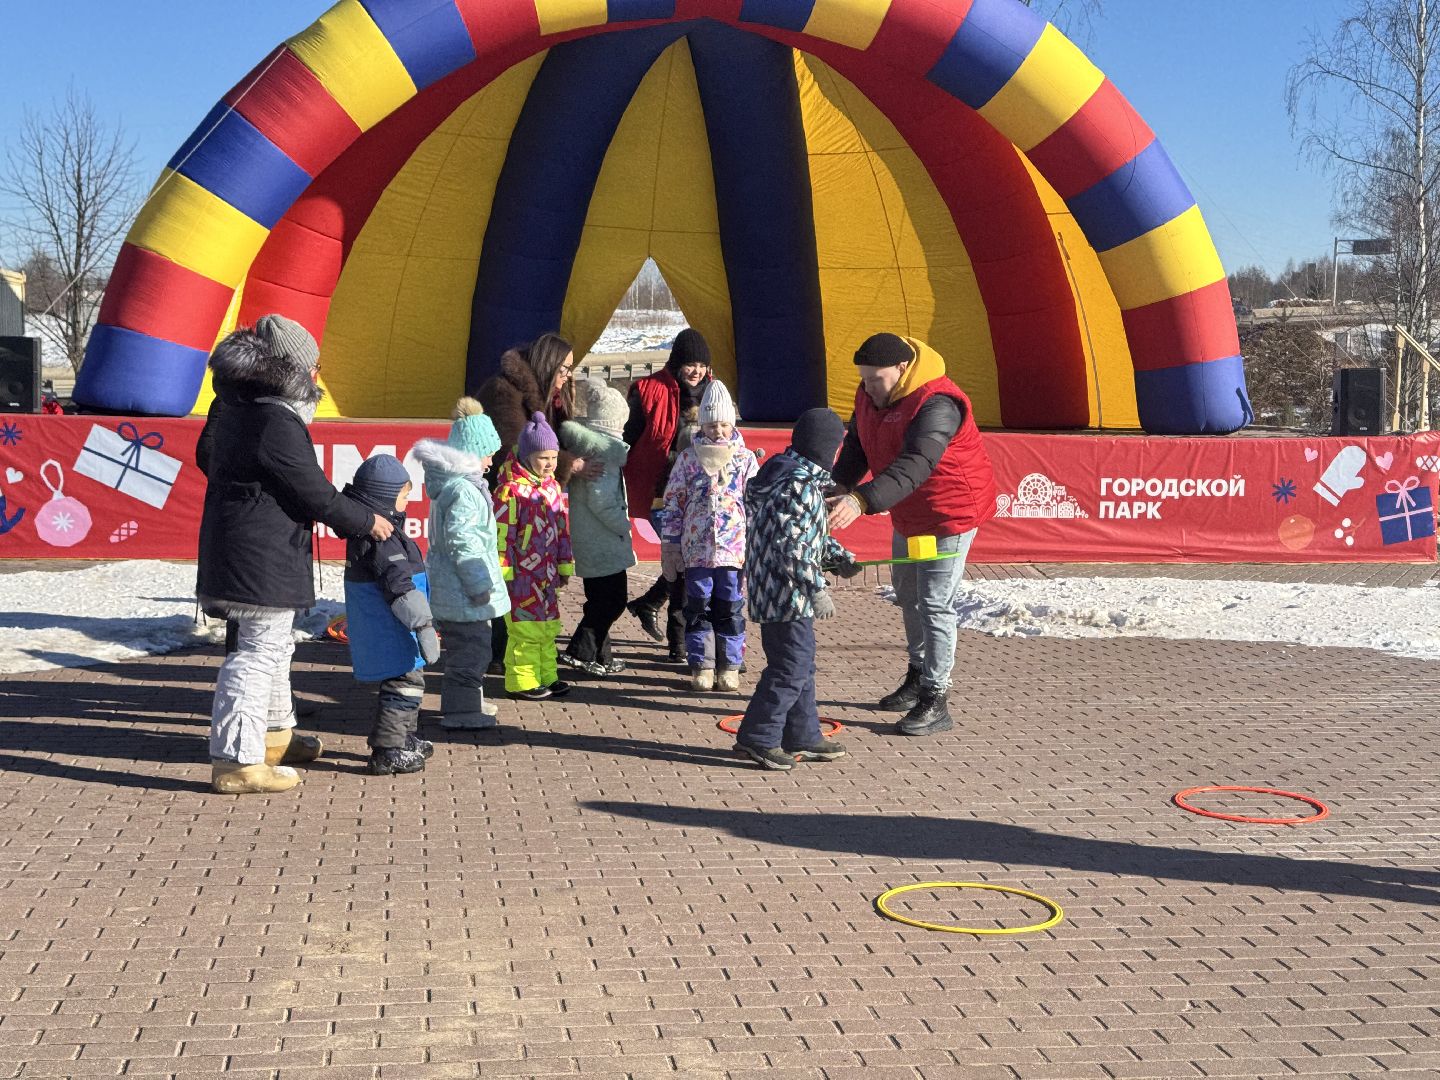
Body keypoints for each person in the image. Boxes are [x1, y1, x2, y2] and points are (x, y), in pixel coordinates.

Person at [196, 316, 393, 795]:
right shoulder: (273, 420)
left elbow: (210, 457)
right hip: (258, 554)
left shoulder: (237, 405)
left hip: (256, 548)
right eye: (313, 366)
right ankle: (238, 761)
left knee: (275, 645)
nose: (317, 375)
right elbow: (313, 491)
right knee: (256, 654)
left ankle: (274, 737)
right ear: (291, 369)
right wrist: (366, 521)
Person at [827, 333, 997, 737]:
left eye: (876, 379)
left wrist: (860, 500)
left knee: (934, 603)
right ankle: (918, 674)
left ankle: (936, 698)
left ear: (902, 369)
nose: (868, 387)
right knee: (907, 594)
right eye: (864, 378)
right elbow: (858, 444)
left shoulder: (938, 404)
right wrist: (839, 485)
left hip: (950, 512)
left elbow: (917, 462)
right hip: (909, 508)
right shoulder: (869, 395)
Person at [734, 409, 858, 770]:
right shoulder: (799, 485)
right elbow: (794, 548)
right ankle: (758, 736)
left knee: (800, 664)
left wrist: (838, 557)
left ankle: (803, 734)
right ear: (826, 448)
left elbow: (806, 535)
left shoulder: (788, 476)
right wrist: (817, 588)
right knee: (790, 667)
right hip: (786, 594)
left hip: (775, 591)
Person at [474, 333, 595, 675]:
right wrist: (569, 464)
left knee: (526, 585)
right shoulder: (504, 392)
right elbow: (513, 449)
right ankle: (502, 654)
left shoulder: (544, 396)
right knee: (507, 578)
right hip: (504, 503)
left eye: (570, 370)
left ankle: (517, 652)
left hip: (527, 506)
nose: (567, 376)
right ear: (547, 365)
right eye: (564, 369)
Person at [411, 398, 510, 729]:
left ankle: (469, 701)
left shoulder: (458, 487)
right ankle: (462, 712)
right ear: (472, 453)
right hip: (465, 591)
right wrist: (479, 585)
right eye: (487, 453)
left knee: (470, 648)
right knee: (471, 652)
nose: (491, 460)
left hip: (456, 589)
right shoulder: (464, 492)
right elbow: (463, 542)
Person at [339, 455, 439, 775]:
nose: (408, 501)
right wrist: (423, 624)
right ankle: (388, 748)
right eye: (404, 495)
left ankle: (404, 737)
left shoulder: (382, 530)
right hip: (392, 628)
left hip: (396, 626)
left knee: (410, 680)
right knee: (403, 686)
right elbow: (398, 586)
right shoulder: (380, 538)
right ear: (385, 497)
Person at [659, 380, 758, 693]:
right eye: (712, 425)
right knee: (698, 606)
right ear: (702, 425)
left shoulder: (745, 459)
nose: (718, 431)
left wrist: (756, 544)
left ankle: (730, 665)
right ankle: (702, 664)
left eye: (724, 425)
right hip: (697, 549)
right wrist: (670, 544)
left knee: (730, 606)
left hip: (733, 549)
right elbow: (673, 502)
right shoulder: (689, 460)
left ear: (732, 425)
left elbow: (755, 503)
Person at [622, 328, 713, 661]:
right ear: (677, 362)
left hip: (703, 496)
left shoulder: (715, 394)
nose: (696, 371)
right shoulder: (649, 390)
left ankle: (650, 604)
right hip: (662, 495)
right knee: (686, 562)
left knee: (689, 561)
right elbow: (627, 438)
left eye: (701, 365)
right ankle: (679, 640)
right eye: (690, 364)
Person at [559, 378, 637, 677]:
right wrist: (623, 525)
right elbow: (601, 501)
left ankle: (601, 657)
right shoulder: (604, 453)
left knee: (600, 600)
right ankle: (580, 650)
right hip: (603, 541)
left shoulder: (588, 448)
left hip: (591, 540)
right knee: (612, 601)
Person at [494, 412, 574, 700]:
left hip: (547, 573)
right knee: (525, 628)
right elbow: (502, 535)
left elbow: (562, 529)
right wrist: (504, 570)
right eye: (543, 458)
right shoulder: (510, 491)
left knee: (548, 626)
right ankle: (522, 681)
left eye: (553, 457)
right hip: (521, 574)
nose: (549, 464)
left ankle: (547, 674)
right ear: (528, 456)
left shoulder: (553, 488)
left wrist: (564, 565)